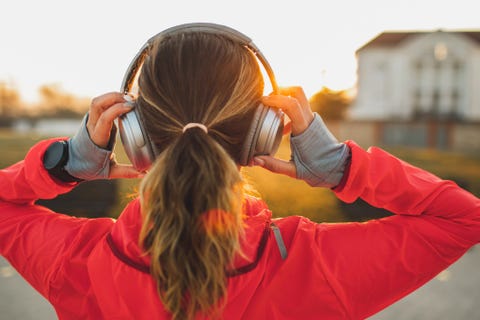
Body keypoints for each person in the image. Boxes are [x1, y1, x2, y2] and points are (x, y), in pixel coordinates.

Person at [1, 23, 479, 320]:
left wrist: (65, 162)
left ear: (136, 134)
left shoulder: (78, 264)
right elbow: (463, 219)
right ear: (262, 131)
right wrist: (341, 168)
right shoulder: (318, 268)